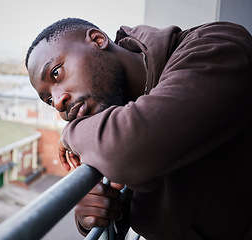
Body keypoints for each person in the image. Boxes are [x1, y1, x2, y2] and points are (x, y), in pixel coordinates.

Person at [25, 17, 252, 240]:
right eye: (48, 100)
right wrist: (93, 213)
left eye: (56, 72)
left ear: (97, 39)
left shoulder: (218, 46)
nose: (58, 102)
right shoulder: (113, 113)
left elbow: (127, 150)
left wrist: (69, 133)